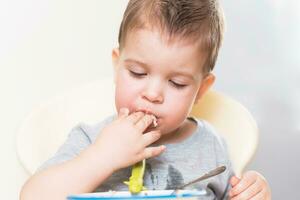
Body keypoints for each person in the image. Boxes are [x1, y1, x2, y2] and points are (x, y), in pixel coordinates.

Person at [20, 0, 271, 199]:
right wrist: (101, 157)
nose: (152, 94)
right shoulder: (90, 140)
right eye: (138, 73)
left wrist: (252, 192)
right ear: (117, 67)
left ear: (201, 90)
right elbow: (32, 197)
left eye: (177, 83)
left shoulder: (212, 146)